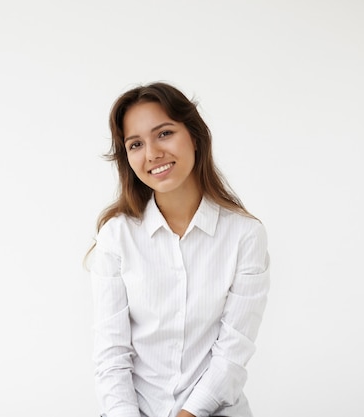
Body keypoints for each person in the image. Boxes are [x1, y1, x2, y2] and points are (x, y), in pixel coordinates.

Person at [88, 82, 270, 417]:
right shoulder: (116, 236)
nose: (152, 153)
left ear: (196, 137)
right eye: (136, 144)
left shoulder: (245, 235)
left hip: (212, 411)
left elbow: (232, 354)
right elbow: (111, 353)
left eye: (165, 133)